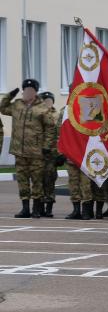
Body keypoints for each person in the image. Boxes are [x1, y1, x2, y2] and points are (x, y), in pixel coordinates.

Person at [0, 79, 55, 218]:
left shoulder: (43, 108)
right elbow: (2, 108)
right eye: (25, 90)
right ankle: (25, 208)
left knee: (36, 180)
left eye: (31, 90)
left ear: (35, 92)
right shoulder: (17, 105)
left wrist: (47, 146)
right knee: (22, 180)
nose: (27, 92)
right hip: (19, 151)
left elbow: (50, 129)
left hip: (36, 152)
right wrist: (9, 95)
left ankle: (36, 209)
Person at [39, 91, 59, 217]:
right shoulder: (37, 115)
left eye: (49, 101)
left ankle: (49, 207)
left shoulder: (57, 116)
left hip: (52, 154)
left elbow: (61, 135)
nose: (47, 103)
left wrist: (61, 153)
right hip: (38, 154)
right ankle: (39, 206)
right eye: (45, 101)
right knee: (38, 181)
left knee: (50, 180)